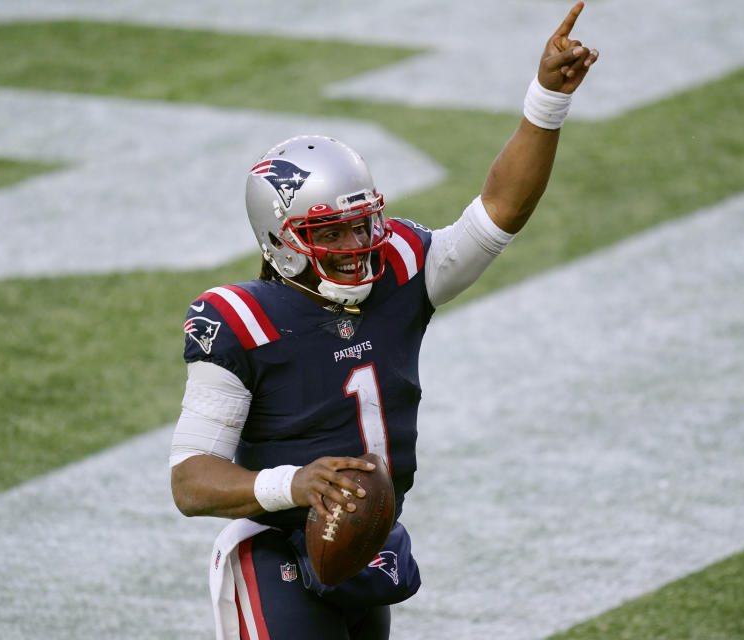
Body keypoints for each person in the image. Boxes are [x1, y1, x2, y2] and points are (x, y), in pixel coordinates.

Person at [169, 3, 598, 638]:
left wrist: (546, 101)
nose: (360, 241)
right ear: (281, 240)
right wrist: (296, 485)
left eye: (363, 220)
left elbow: (500, 211)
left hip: (361, 541)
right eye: (332, 230)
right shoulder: (240, 319)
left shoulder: (398, 265)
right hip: (271, 548)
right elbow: (191, 480)